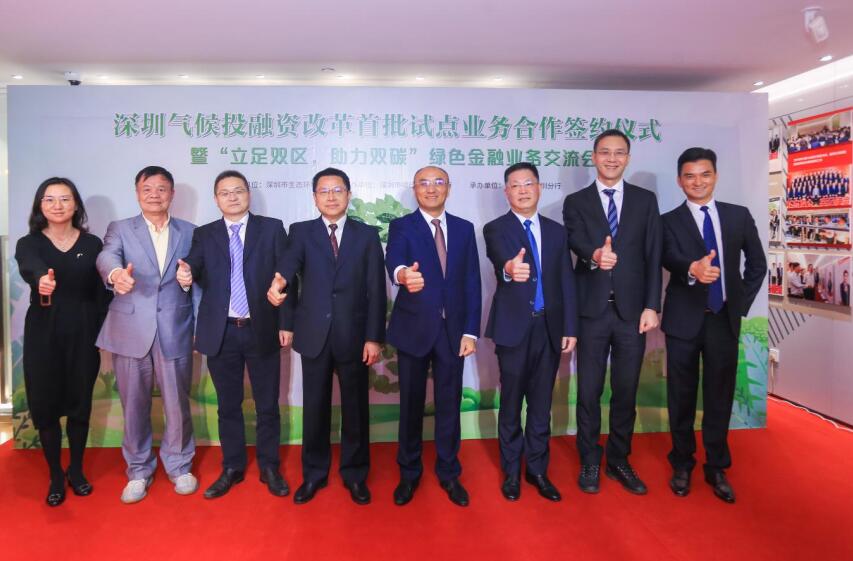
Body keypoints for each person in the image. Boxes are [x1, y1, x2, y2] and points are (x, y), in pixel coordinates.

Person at [267, 168, 386, 505]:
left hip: (354, 335)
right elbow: (289, 264)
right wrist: (279, 281)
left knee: (356, 409)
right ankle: (314, 474)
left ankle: (355, 474)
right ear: (314, 197)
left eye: (337, 190)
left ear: (349, 194)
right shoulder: (301, 231)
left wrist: (374, 337)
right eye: (324, 191)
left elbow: (376, 289)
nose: (331, 197)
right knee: (315, 409)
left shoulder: (367, 235)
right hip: (314, 334)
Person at [661, 147, 765, 504]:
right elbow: (667, 256)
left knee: (719, 396)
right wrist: (692, 269)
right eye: (689, 176)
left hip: (723, 320)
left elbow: (757, 265)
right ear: (680, 181)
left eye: (704, 174)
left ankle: (717, 465)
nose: (698, 182)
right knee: (681, 396)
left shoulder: (738, 216)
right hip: (683, 320)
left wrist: (738, 306)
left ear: (715, 176)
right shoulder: (668, 220)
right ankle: (682, 462)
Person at [178, 170, 290, 499]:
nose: (232, 197)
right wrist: (186, 273)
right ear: (216, 199)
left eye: (238, 190)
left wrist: (286, 323)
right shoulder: (205, 233)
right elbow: (193, 265)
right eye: (225, 192)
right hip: (222, 332)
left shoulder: (272, 228)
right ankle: (233, 467)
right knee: (228, 405)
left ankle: (269, 466)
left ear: (248, 194)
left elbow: (287, 277)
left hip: (262, 328)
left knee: (267, 404)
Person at [562, 129, 662, 495]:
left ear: (628, 158)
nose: (612, 159)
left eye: (619, 153)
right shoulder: (576, 201)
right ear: (594, 157)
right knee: (589, 391)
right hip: (591, 312)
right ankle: (590, 459)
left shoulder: (645, 200)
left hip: (632, 314)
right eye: (605, 152)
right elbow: (575, 239)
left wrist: (652, 305)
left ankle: (619, 459)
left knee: (626, 390)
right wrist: (594, 255)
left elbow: (653, 254)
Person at [95, 166, 198, 503]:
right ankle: (138, 470)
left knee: (177, 404)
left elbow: (199, 274)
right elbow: (107, 255)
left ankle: (179, 465)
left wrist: (189, 281)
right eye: (147, 188)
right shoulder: (121, 228)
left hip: (175, 327)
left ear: (172, 194)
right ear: (137, 192)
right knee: (134, 404)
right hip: (130, 329)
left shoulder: (190, 232)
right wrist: (115, 274)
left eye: (162, 188)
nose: (155, 194)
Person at [385, 166, 482, 507]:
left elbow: (472, 281)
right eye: (423, 183)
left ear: (448, 188)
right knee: (410, 405)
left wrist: (470, 331)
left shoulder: (464, 229)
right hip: (414, 329)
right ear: (415, 189)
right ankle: (409, 473)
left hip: (453, 333)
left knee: (449, 404)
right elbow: (394, 261)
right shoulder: (402, 226)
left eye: (438, 182)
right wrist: (402, 276)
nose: (431, 189)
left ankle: (449, 472)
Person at [483, 162, 578, 502]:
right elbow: (501, 260)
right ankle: (511, 472)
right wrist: (510, 269)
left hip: (549, 328)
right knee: (511, 404)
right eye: (515, 185)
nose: (522, 190)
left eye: (528, 184)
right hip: (513, 330)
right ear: (506, 192)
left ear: (539, 188)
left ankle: (537, 470)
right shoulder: (495, 229)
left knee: (541, 405)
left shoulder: (556, 232)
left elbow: (566, 279)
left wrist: (570, 327)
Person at [15, 177, 110, 506]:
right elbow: (31, 267)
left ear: (76, 205)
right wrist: (42, 280)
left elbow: (101, 295)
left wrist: (104, 332)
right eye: (49, 199)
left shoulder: (93, 243)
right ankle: (56, 474)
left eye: (65, 199)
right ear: (40, 205)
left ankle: (76, 470)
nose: (57, 205)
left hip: (84, 331)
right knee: (47, 405)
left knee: (80, 403)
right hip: (44, 331)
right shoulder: (29, 244)